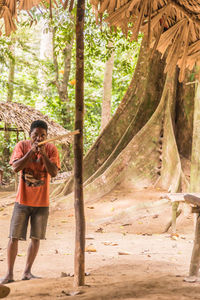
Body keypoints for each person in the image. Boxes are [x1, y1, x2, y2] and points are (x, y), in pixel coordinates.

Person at [0, 120, 60, 284]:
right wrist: (31, 153)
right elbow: (15, 167)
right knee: (14, 237)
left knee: (36, 237)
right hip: (22, 201)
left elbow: (54, 172)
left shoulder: (51, 149)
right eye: (36, 135)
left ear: (47, 136)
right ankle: (9, 274)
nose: (39, 138)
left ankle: (27, 272)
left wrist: (44, 155)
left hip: (42, 202)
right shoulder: (22, 145)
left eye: (43, 136)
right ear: (30, 135)